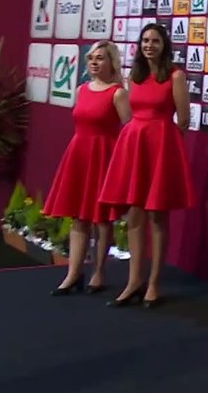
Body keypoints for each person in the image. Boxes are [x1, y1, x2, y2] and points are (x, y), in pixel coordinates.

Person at [99, 23, 195, 308]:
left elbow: (184, 119)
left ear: (164, 44)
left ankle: (153, 283)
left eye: (154, 40)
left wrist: (166, 147)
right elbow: (131, 113)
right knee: (134, 216)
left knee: (157, 217)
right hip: (134, 147)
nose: (149, 45)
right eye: (144, 40)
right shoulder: (135, 76)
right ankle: (133, 281)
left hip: (161, 148)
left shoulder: (175, 76)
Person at [43, 41, 130, 295]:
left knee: (101, 220)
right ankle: (72, 274)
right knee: (79, 218)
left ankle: (98, 273)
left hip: (105, 158)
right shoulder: (82, 90)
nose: (93, 62)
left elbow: (128, 130)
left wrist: (120, 162)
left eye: (100, 58)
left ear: (111, 62)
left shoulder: (117, 93)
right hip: (79, 156)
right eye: (91, 57)